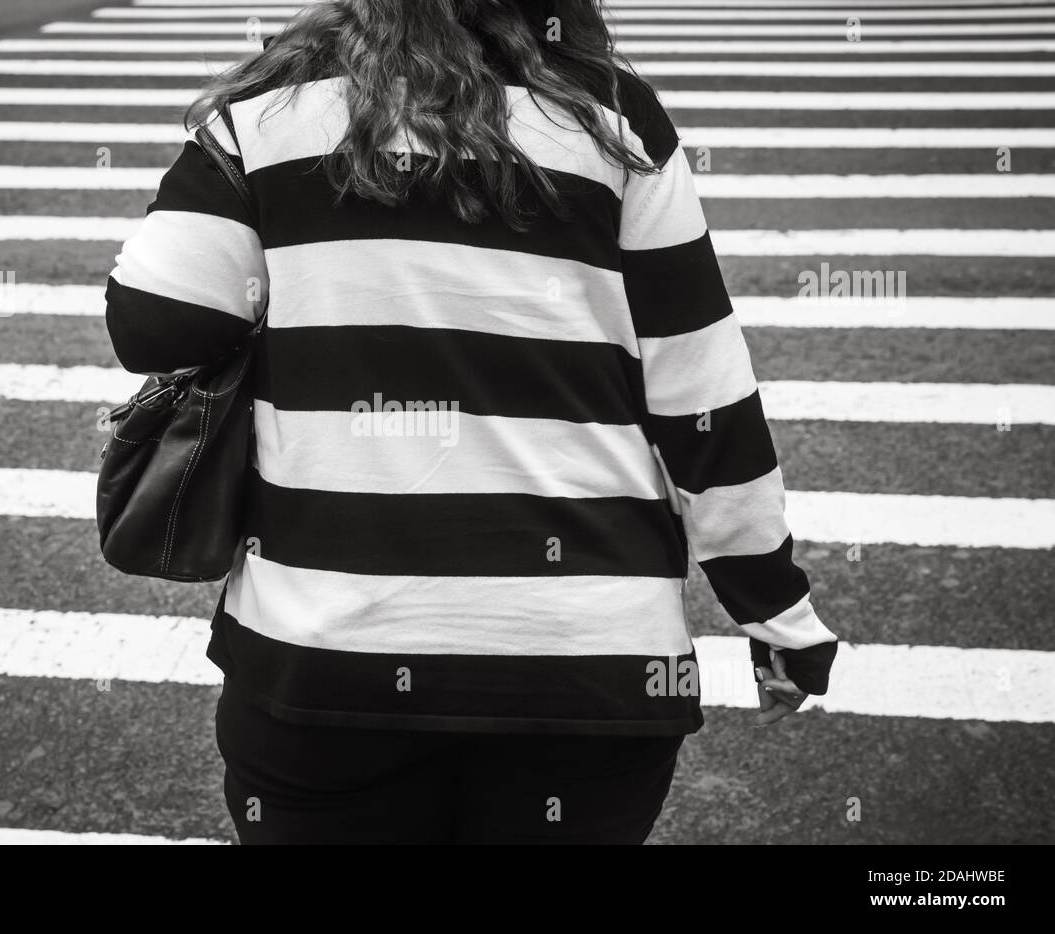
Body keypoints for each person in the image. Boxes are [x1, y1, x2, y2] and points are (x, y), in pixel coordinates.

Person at [103, 0, 839, 845]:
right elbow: (703, 399)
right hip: (587, 663)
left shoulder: (275, 109)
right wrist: (774, 613)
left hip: (328, 657)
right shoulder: (609, 116)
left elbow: (155, 322)